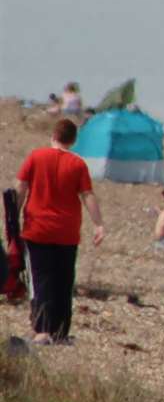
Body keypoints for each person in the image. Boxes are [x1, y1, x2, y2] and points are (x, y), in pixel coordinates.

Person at [15, 118, 105, 344]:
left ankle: (42, 330)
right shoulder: (78, 164)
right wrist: (98, 224)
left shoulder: (36, 156)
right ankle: (60, 331)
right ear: (73, 140)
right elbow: (87, 195)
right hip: (67, 231)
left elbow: (21, 187)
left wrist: (12, 216)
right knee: (64, 280)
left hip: (38, 229)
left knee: (41, 278)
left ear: (53, 135)